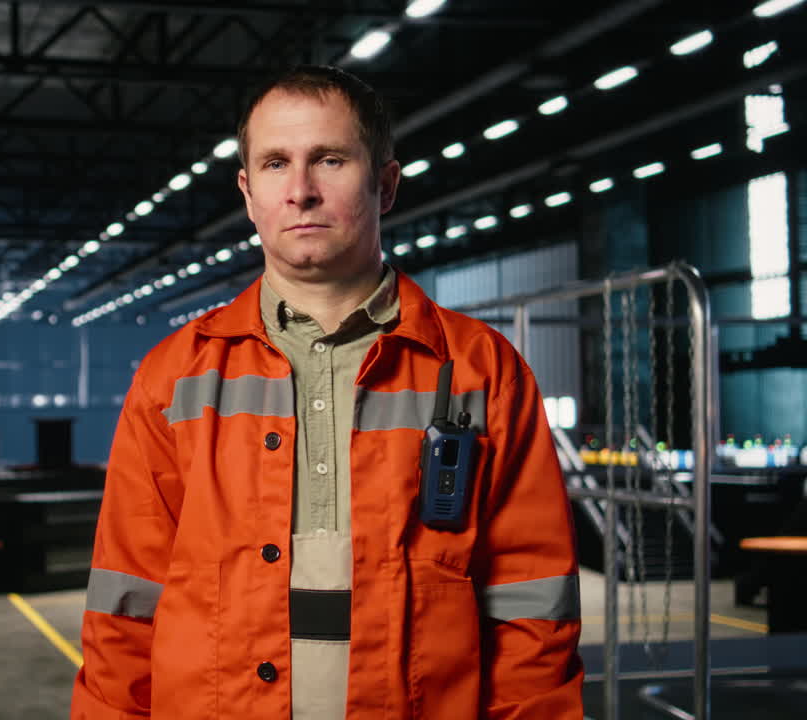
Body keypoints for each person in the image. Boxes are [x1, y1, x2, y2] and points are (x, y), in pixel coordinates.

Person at [71, 65, 583, 719]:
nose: (301, 191)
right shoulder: (175, 378)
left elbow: (530, 606)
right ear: (248, 191)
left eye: (330, 159)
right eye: (276, 163)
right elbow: (125, 603)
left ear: (386, 184)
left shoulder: (483, 372)